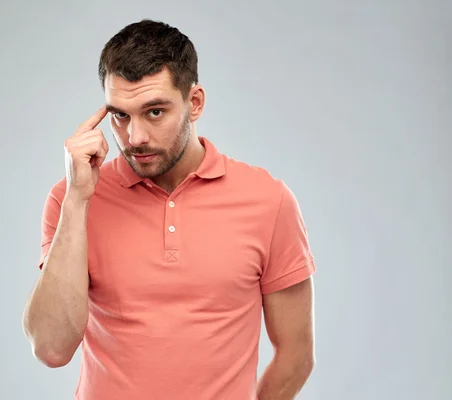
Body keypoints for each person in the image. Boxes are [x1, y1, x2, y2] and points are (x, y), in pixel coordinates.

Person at [23, 19, 316, 400]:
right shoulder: (71, 198)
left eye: (155, 112)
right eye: (120, 115)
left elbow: (297, 355)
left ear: (194, 104)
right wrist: (79, 199)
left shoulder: (268, 201)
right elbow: (51, 347)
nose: (135, 137)